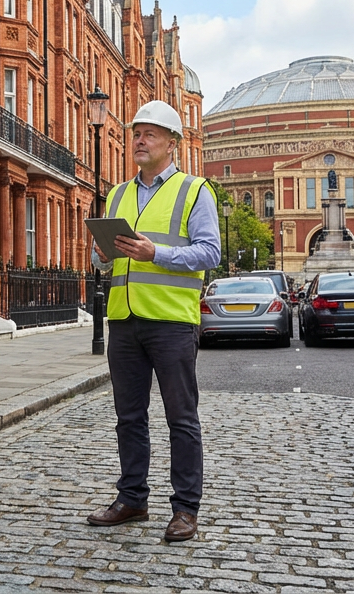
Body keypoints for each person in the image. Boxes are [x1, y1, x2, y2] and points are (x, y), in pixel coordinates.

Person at [87, 100, 220, 543]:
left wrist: (155, 253)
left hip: (171, 321)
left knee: (181, 417)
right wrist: (102, 257)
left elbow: (210, 253)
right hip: (124, 320)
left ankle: (185, 509)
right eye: (136, 133)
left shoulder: (194, 190)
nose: (139, 140)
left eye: (149, 134)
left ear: (172, 143)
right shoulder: (118, 193)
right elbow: (101, 261)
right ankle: (132, 499)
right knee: (129, 417)